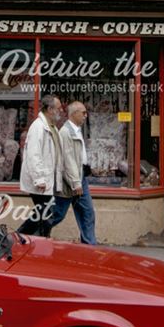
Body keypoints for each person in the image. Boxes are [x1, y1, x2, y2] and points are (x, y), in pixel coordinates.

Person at [51, 101, 97, 245]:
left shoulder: (76, 130)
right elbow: (67, 160)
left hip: (80, 177)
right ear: (74, 114)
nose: (85, 115)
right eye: (83, 113)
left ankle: (90, 245)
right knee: (57, 214)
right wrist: (75, 182)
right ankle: (31, 233)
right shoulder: (66, 132)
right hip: (71, 181)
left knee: (87, 213)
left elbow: (77, 157)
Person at [17, 96, 63, 237]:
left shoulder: (52, 127)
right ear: (49, 109)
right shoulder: (38, 127)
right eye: (58, 108)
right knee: (46, 213)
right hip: (41, 180)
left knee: (42, 212)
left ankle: (20, 238)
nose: (61, 111)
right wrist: (39, 179)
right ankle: (39, 241)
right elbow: (33, 155)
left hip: (47, 178)